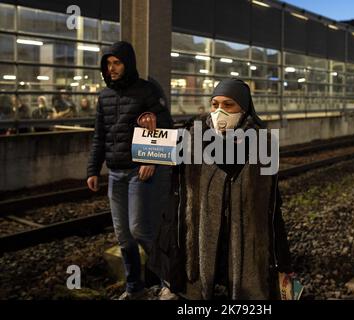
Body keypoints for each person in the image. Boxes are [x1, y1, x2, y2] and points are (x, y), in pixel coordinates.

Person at [148, 78, 293, 300]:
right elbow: (149, 148)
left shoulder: (262, 143)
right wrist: (148, 133)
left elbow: (271, 206)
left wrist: (282, 259)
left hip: (240, 240)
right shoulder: (190, 137)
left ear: (243, 109)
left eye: (228, 105)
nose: (219, 112)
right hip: (201, 242)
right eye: (215, 104)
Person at [86, 41, 174, 300]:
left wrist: (151, 161)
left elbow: (167, 128)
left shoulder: (146, 91)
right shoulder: (104, 96)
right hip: (115, 173)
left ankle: (170, 282)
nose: (111, 68)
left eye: (117, 63)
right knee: (123, 236)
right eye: (108, 64)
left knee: (140, 230)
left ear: (128, 63)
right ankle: (135, 288)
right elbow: (99, 136)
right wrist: (93, 169)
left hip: (139, 172)